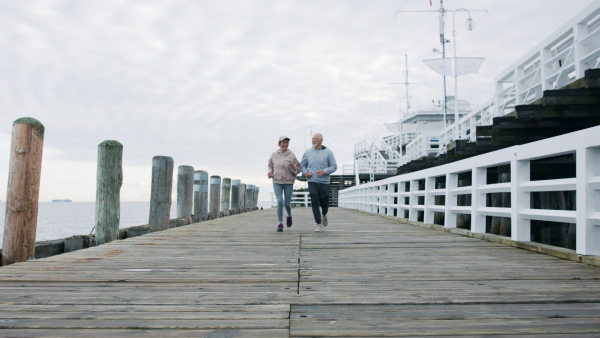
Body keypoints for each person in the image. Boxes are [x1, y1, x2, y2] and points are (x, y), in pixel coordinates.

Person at [301, 133, 337, 232]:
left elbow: (334, 166)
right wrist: (305, 172)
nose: (313, 141)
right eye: (312, 139)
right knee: (314, 202)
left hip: (324, 182)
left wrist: (324, 171)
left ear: (321, 140)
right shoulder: (307, 152)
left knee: (324, 204)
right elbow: (303, 165)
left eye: (315, 139)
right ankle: (318, 223)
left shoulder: (328, 152)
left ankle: (324, 214)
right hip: (312, 181)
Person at [268, 136, 301, 232]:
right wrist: (270, 172)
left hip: (288, 181)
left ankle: (289, 215)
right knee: (279, 202)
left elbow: (298, 168)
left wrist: (293, 167)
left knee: (287, 204)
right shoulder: (274, 155)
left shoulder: (291, 155)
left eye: (287, 142)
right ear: (279, 143)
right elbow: (270, 165)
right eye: (283, 142)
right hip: (277, 181)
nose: (285, 144)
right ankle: (280, 223)